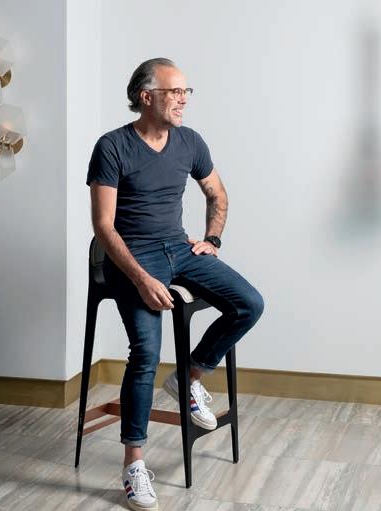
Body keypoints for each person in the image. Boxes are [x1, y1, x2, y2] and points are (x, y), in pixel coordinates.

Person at [86, 57, 264, 511]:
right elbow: (103, 226)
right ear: (146, 97)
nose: (184, 100)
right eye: (175, 92)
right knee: (145, 352)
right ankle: (133, 464)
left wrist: (212, 240)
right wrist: (142, 278)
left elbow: (217, 193)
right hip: (132, 257)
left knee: (249, 303)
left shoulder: (190, 141)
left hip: (179, 249)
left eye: (187, 92)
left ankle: (189, 376)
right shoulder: (112, 146)